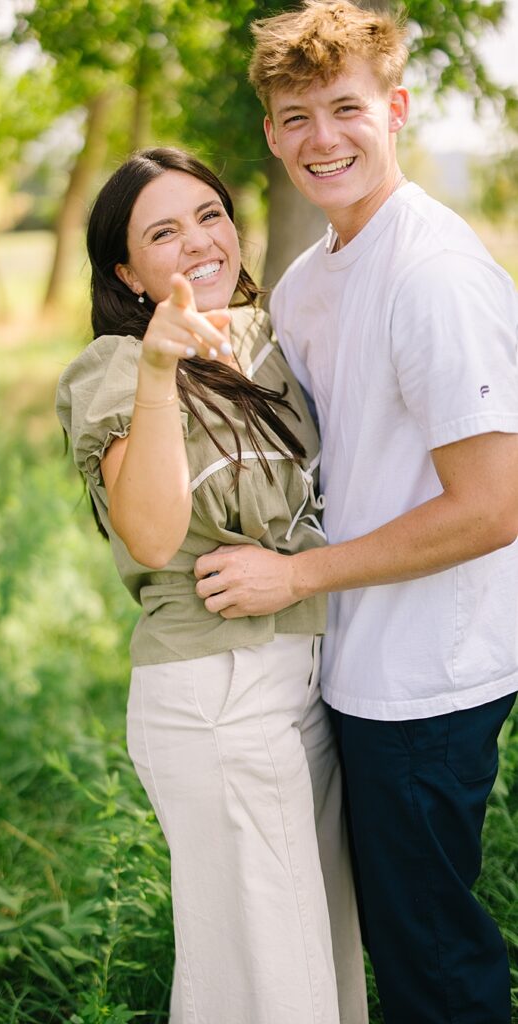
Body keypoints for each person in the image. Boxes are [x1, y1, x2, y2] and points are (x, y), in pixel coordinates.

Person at [193, 4, 518, 1023]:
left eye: (344, 108)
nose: (321, 137)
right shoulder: (305, 280)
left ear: (395, 108)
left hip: (426, 677)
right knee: (378, 936)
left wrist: (293, 577)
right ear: (270, 135)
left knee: (427, 957)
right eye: (296, 115)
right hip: (347, 661)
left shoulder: (432, 276)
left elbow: (492, 506)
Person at [56, 147, 367, 1023]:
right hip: (215, 691)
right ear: (126, 271)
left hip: (304, 683)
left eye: (209, 214)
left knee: (317, 960)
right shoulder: (115, 368)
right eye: (162, 231)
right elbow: (152, 534)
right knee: (272, 982)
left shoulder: (270, 334)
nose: (199, 241)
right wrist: (159, 371)